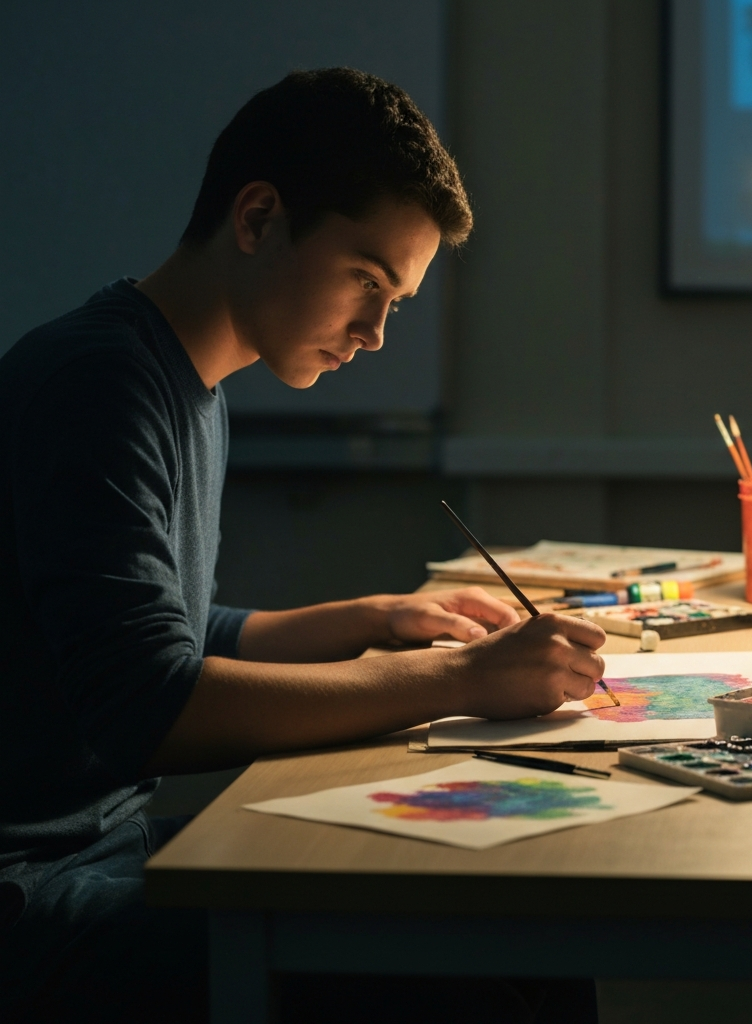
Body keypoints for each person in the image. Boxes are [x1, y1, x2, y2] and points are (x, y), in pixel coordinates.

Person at [0, 68, 605, 1023]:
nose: (371, 334)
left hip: (108, 846)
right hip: (37, 895)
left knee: (521, 920)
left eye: (393, 301)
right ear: (256, 218)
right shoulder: (98, 384)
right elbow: (146, 704)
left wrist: (372, 619)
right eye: (367, 280)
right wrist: (463, 680)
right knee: (491, 958)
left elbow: (179, 630)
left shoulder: (186, 382)